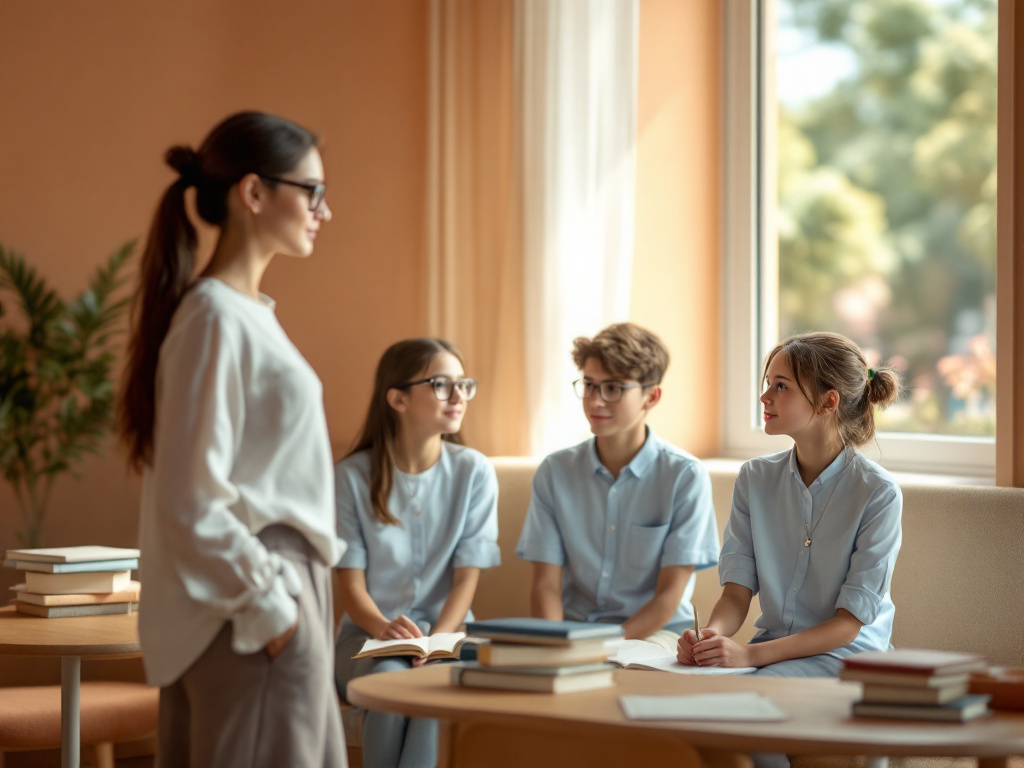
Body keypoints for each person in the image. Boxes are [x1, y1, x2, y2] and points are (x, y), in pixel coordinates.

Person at [118, 111, 345, 768]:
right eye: (312, 192)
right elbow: (191, 503)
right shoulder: (216, 318)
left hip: (262, 604)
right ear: (253, 192)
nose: (324, 212)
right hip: (252, 612)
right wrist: (273, 611)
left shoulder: (241, 315)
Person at [678, 331, 903, 677]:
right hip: (771, 650)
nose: (764, 397)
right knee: (693, 688)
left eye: (781, 386)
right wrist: (709, 637)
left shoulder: (878, 493)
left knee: (740, 694)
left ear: (828, 402)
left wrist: (750, 655)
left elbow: (847, 626)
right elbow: (736, 594)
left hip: (846, 656)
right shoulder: (754, 478)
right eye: (768, 383)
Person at [334, 338, 500, 768]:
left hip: (451, 634)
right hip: (368, 637)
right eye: (442, 384)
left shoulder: (475, 471)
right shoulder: (350, 477)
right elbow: (351, 587)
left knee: (436, 692)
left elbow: (466, 579)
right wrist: (387, 630)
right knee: (389, 684)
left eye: (464, 384)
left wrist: (436, 643)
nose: (458, 396)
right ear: (398, 399)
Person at [515, 322, 719, 651]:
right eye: (589, 385)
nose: (595, 401)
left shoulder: (684, 476)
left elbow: (669, 596)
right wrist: (554, 647)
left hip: (655, 635)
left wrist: (600, 647)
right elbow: (546, 587)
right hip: (573, 632)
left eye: (613, 388)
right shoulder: (555, 472)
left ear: (651, 396)